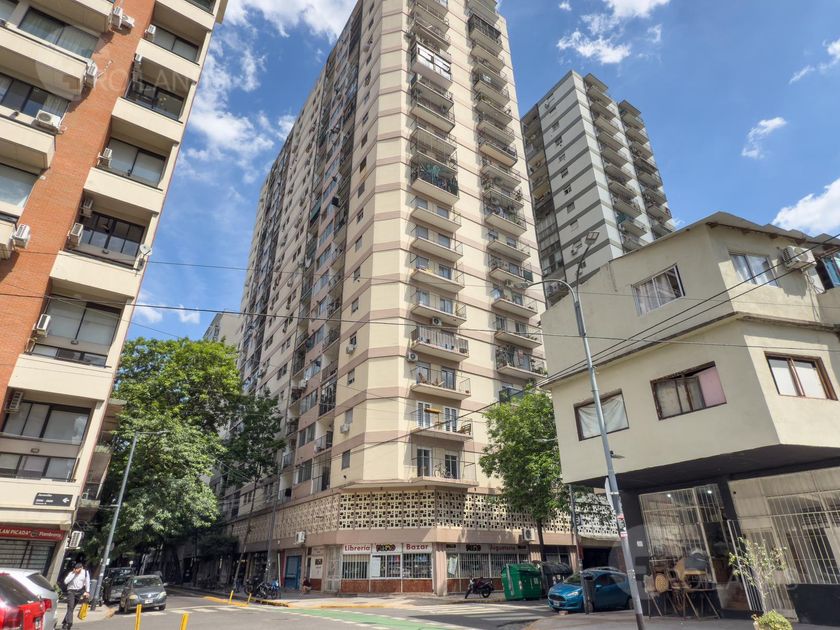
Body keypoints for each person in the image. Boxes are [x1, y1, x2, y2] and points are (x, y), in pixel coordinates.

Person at [62, 563, 90, 629]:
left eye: (79, 570)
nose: (77, 571)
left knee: (72, 608)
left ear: (82, 568)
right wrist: (73, 574)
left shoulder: (85, 573)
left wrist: (87, 591)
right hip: (71, 591)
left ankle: (65, 622)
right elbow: (66, 582)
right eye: (76, 569)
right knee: (70, 607)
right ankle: (69, 623)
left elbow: (87, 582)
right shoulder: (72, 573)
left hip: (79, 592)